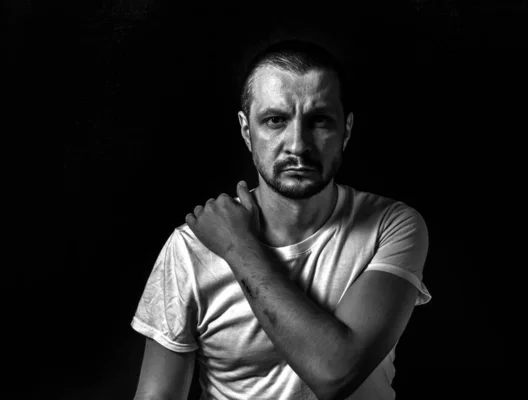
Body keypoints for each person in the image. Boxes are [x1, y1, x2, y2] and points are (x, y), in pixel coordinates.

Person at [131, 39, 431, 400]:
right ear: (246, 130)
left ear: (346, 131)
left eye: (319, 121)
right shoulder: (190, 248)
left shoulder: (391, 225)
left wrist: (237, 247)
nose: (297, 145)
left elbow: (336, 372)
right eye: (275, 120)